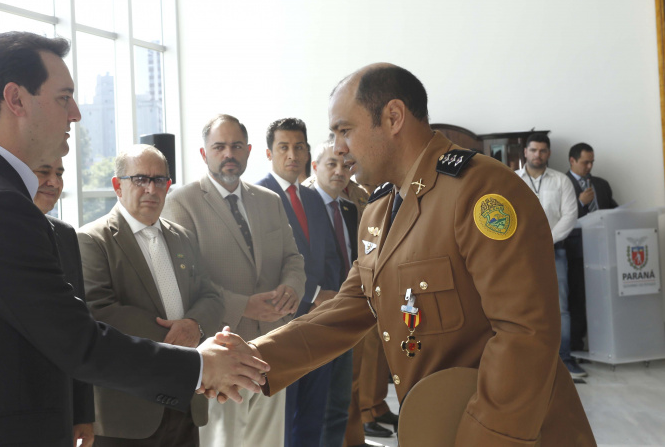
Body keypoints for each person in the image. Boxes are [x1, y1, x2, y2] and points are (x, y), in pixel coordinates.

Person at [0, 32, 269, 446]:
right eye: (64, 98)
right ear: (15, 100)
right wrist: (200, 366)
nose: (76, 114)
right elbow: (77, 341)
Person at [225, 63, 595, 446]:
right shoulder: (378, 209)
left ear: (393, 117)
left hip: (506, 433)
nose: (338, 147)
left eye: (345, 130)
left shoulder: (481, 190)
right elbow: (349, 308)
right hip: (437, 425)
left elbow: (525, 335)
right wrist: (250, 358)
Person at [163, 114, 306, 447]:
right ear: (204, 153)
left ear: (249, 150)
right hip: (221, 350)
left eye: (237, 146)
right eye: (219, 147)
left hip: (272, 345)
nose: (229, 153)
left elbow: (293, 258)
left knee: (269, 441)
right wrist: (244, 306)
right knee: (223, 442)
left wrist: (292, 287)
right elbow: (186, 279)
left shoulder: (269, 200)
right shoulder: (181, 203)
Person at [78, 145, 224, 446]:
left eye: (159, 180)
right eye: (140, 179)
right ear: (117, 185)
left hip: (185, 401)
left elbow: (210, 295)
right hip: (128, 411)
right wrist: (177, 338)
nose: (151, 189)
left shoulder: (183, 237)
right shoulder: (91, 240)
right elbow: (100, 312)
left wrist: (194, 325)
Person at [255, 118, 341, 447]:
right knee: (282, 413)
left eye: (299, 147)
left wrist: (330, 298)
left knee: (313, 411)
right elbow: (266, 264)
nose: (292, 154)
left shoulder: (314, 198)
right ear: (269, 153)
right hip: (281, 322)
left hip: (319, 322)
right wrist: (315, 294)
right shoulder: (257, 197)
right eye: (284, 147)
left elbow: (330, 254)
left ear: (307, 153)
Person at [308, 139, 396, 447]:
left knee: (348, 386)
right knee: (323, 395)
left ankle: (355, 435)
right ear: (315, 167)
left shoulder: (348, 204)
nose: (339, 171)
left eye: (345, 165)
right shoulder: (306, 204)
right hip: (318, 309)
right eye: (331, 164)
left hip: (355, 298)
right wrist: (315, 294)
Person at [32, 157, 95, 447]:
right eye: (44, 172)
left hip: (62, 403)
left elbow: (81, 325)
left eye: (59, 173)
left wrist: (83, 414)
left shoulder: (67, 235)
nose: (54, 182)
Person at [515, 134, 584, 378]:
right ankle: (527, 361)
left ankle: (564, 360)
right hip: (520, 254)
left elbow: (570, 216)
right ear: (525, 152)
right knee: (521, 306)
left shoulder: (561, 181)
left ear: (549, 153)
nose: (538, 154)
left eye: (543, 150)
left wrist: (545, 242)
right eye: (533, 150)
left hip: (555, 251)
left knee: (560, 307)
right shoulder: (512, 179)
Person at [564, 143, 618, 353]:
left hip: (603, 252)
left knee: (602, 299)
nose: (589, 166)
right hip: (576, 253)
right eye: (585, 162)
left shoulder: (601, 184)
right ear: (572, 161)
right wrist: (579, 203)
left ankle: (601, 344)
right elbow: (559, 217)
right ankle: (576, 347)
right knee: (578, 300)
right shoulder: (562, 183)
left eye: (592, 162)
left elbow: (612, 209)